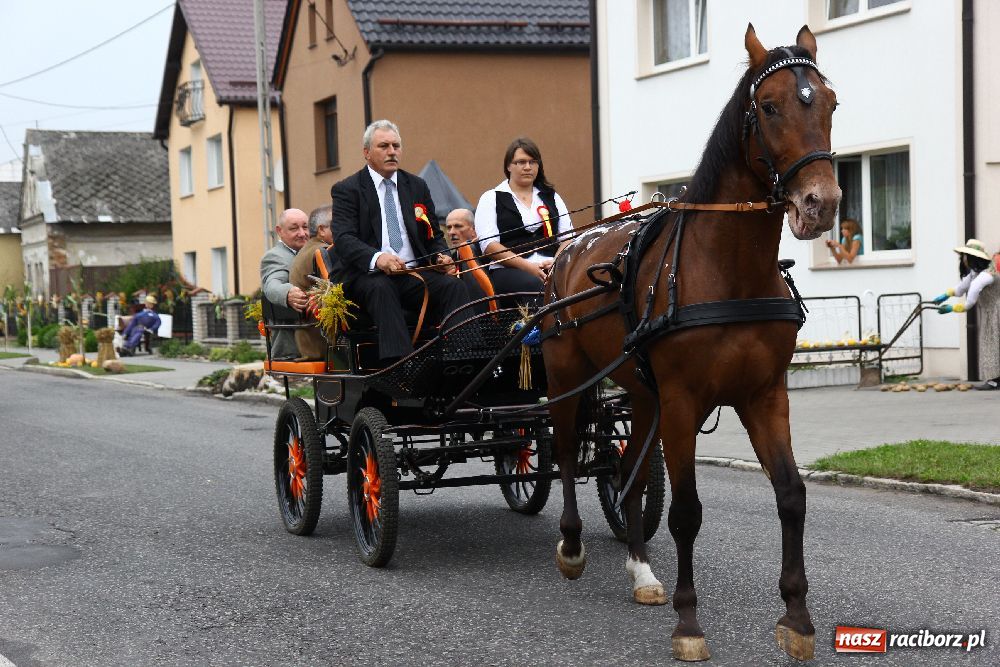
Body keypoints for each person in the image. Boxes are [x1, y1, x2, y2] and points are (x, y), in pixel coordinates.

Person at [330, 120, 471, 361]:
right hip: (367, 276)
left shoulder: (416, 186)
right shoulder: (348, 189)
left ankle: (464, 357)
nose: (392, 151)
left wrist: (440, 255)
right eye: (383, 146)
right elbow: (343, 239)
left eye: (396, 145)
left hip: (412, 274)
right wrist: (378, 258)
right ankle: (400, 366)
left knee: (453, 286)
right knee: (382, 288)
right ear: (367, 153)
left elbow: (433, 235)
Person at [474, 137, 572, 302]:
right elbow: (489, 246)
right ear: (508, 166)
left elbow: (567, 238)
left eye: (533, 162)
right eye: (521, 162)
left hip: (553, 266)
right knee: (536, 285)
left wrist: (555, 263)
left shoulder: (551, 196)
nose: (528, 167)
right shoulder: (491, 198)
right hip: (508, 271)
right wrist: (529, 268)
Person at [932, 238, 999, 390]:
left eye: (964, 256)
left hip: (996, 311)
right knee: (992, 344)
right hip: (991, 311)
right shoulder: (976, 273)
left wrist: (951, 309)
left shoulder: (984, 276)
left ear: (972, 258)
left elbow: (968, 303)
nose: (962, 259)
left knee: (992, 345)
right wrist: (945, 295)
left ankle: (994, 381)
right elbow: (961, 288)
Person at [260, 208, 310, 359]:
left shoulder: (315, 250)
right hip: (292, 349)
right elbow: (272, 285)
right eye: (294, 228)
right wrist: (288, 293)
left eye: (305, 227)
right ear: (279, 231)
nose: (302, 233)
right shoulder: (275, 256)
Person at [288, 205, 334, 360]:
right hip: (321, 340)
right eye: (338, 224)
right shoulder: (323, 251)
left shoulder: (309, 248)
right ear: (321, 230)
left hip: (309, 339)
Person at [446, 208, 492, 311]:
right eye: (449, 227)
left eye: (458, 226)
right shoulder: (450, 259)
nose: (452, 232)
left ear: (474, 230)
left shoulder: (487, 252)